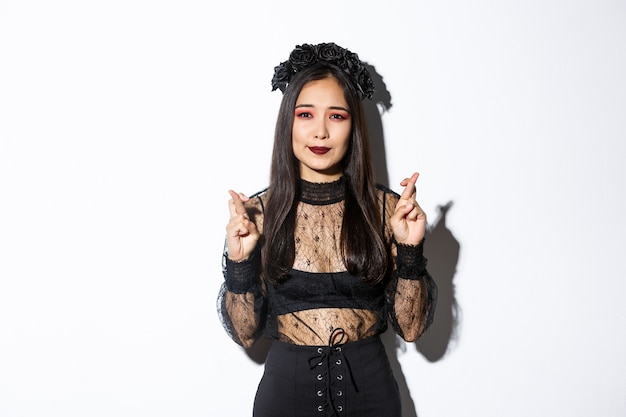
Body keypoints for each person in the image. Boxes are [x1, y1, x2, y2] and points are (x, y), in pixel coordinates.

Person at [217, 42, 437, 417]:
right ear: (288, 122)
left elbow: (412, 329)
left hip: (371, 398)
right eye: (306, 114)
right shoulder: (257, 213)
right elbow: (244, 334)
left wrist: (411, 251)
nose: (320, 132)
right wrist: (240, 265)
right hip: (284, 399)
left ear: (354, 126)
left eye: (336, 116)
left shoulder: (388, 210)